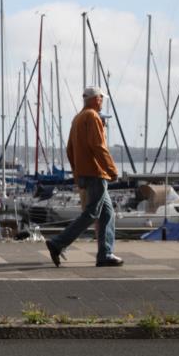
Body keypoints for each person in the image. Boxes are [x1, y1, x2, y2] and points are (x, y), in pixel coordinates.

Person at [45, 86, 124, 268]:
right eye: (101, 99)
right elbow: (98, 147)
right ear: (96, 99)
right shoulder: (92, 116)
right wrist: (112, 170)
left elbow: (69, 149)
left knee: (107, 214)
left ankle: (105, 254)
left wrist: (76, 171)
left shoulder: (77, 118)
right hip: (96, 173)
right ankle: (58, 243)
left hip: (84, 172)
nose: (102, 102)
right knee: (92, 213)